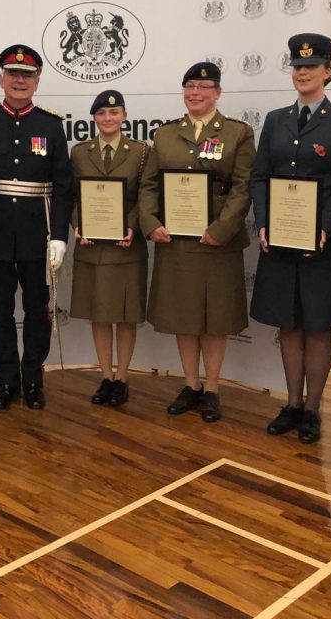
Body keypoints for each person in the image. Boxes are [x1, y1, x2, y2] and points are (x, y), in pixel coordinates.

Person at [250, 33, 331, 443]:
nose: (303, 72)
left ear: (327, 72)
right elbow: (260, 175)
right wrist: (263, 221)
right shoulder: (276, 119)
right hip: (279, 239)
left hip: (321, 243)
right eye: (297, 66)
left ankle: (313, 407)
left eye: (311, 66)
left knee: (317, 325)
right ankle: (292, 402)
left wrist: (326, 226)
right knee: (289, 323)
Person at [138, 62, 255, 422]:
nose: (195, 93)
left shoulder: (238, 133)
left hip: (217, 242)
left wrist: (222, 229)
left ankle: (213, 388)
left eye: (204, 86)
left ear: (217, 92)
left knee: (214, 318)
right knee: (185, 315)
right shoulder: (165, 135)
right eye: (189, 86)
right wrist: (150, 222)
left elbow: (242, 187)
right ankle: (191, 384)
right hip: (176, 242)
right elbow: (149, 185)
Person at [0, 44, 72, 410]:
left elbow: (63, 187)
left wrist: (58, 237)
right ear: (1, 79)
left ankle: (34, 379)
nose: (19, 81)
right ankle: (6, 381)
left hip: (36, 236)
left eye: (27, 75)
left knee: (38, 311)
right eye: (13, 74)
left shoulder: (52, 126)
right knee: (1, 312)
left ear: (37, 82)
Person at [69, 90, 150, 406]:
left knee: (126, 316)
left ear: (124, 117)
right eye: (101, 114)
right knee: (99, 315)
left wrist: (131, 225)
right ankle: (105, 376)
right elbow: (73, 196)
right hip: (90, 247)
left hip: (126, 245)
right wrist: (80, 224)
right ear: (94, 118)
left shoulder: (142, 152)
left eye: (114, 113)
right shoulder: (79, 152)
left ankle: (123, 378)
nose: (108, 119)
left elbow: (146, 195)